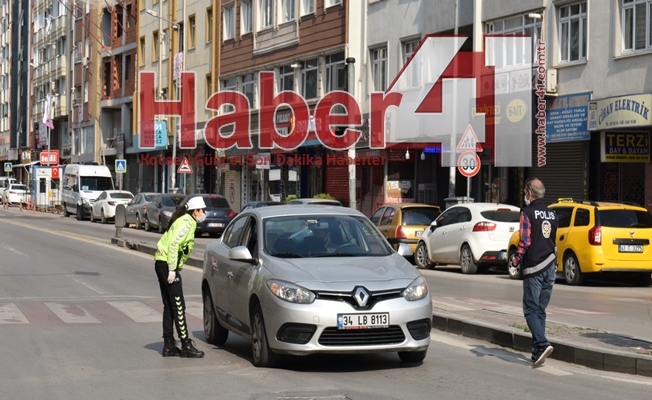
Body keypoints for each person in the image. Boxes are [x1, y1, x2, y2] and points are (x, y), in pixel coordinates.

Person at [510, 178, 558, 367]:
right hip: (550, 268)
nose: (524, 195)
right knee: (540, 311)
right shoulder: (553, 214)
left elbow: (525, 241)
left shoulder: (527, 212)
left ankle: (543, 343)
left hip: (534, 268)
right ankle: (536, 352)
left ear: (529, 192)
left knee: (530, 310)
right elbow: (553, 242)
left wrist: (515, 260)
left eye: (524, 192)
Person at [153, 196, 207, 358]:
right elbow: (174, 244)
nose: (204, 213)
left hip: (161, 262)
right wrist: (171, 269)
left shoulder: (184, 220)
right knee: (178, 305)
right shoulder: (187, 222)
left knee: (169, 306)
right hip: (167, 264)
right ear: (195, 211)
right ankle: (185, 344)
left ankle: (169, 345)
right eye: (202, 210)